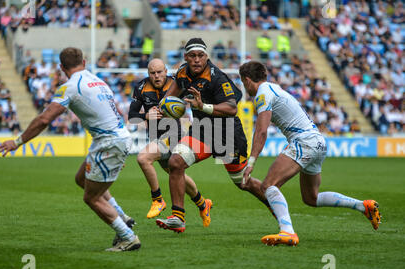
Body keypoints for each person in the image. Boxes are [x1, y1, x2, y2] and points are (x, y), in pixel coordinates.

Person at [0, 47, 141, 252]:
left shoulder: (70, 87)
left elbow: (44, 119)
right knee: (81, 178)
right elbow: (114, 112)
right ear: (84, 61)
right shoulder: (98, 80)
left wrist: (17, 142)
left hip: (109, 142)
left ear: (62, 67)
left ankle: (128, 237)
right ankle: (122, 216)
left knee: (91, 197)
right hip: (117, 138)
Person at [239, 61, 382, 246]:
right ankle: (364, 206)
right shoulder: (275, 89)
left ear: (248, 80)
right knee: (311, 198)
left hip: (303, 141)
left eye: (243, 83)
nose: (245, 87)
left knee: (268, 186)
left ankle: (287, 232)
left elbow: (261, 131)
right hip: (318, 142)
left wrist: (251, 162)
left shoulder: (262, 94)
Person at [155, 38, 272, 233]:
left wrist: (203, 106)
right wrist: (164, 105)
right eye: (192, 56)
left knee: (242, 182)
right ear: (186, 57)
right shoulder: (183, 72)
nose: (197, 60)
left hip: (227, 133)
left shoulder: (217, 78)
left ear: (206, 57)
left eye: (201, 55)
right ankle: (178, 217)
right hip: (202, 130)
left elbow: (232, 109)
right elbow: (172, 95)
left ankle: (276, 206)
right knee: (175, 162)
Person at [128, 58, 212, 226]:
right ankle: (203, 203)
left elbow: (195, 104)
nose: (156, 76)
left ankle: (157, 199)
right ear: (148, 74)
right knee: (176, 174)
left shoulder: (177, 84)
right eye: (153, 73)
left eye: (160, 72)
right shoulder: (141, 87)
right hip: (157, 137)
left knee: (143, 158)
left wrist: (183, 112)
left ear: (166, 71)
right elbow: (132, 116)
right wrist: (146, 116)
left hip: (175, 133)